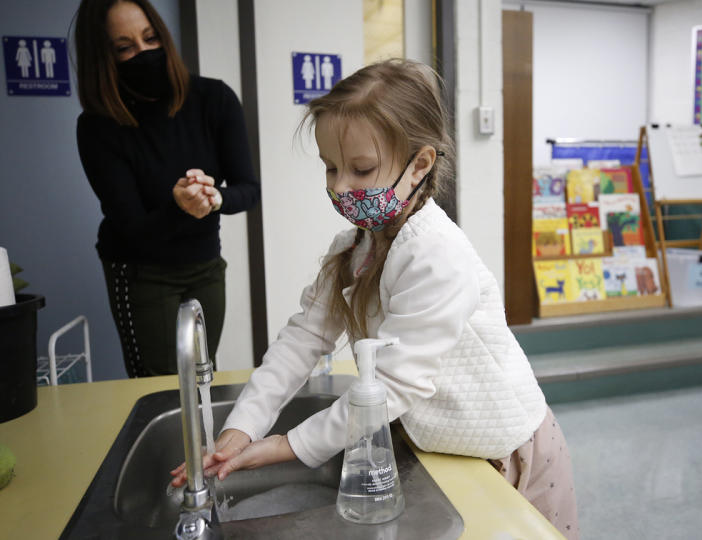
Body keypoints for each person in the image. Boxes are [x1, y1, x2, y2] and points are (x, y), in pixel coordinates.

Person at [169, 59, 579, 536]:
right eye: (330, 167)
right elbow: (301, 341)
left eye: (361, 169)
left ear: (419, 165)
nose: (340, 186)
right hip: (441, 446)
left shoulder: (435, 256)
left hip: (504, 451)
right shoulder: (356, 246)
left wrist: (286, 446)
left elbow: (395, 385)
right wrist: (240, 432)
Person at [73, 0, 259, 377]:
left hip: (205, 265)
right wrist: (180, 207)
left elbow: (248, 189)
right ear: (103, 58)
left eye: (151, 38)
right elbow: (133, 228)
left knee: (203, 375)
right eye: (125, 47)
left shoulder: (214, 100)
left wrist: (214, 198)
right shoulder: (98, 127)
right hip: (141, 271)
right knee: (159, 386)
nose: (144, 53)